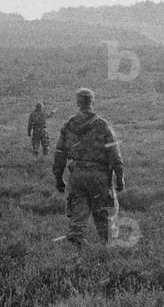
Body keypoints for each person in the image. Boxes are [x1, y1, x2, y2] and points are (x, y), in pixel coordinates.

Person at [53, 88, 125, 245]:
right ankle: (107, 256)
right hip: (100, 176)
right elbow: (115, 156)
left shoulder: (68, 126)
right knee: (106, 219)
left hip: (77, 176)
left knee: (77, 217)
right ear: (93, 102)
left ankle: (80, 252)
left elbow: (59, 155)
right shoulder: (102, 125)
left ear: (78, 103)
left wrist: (59, 178)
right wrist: (120, 178)